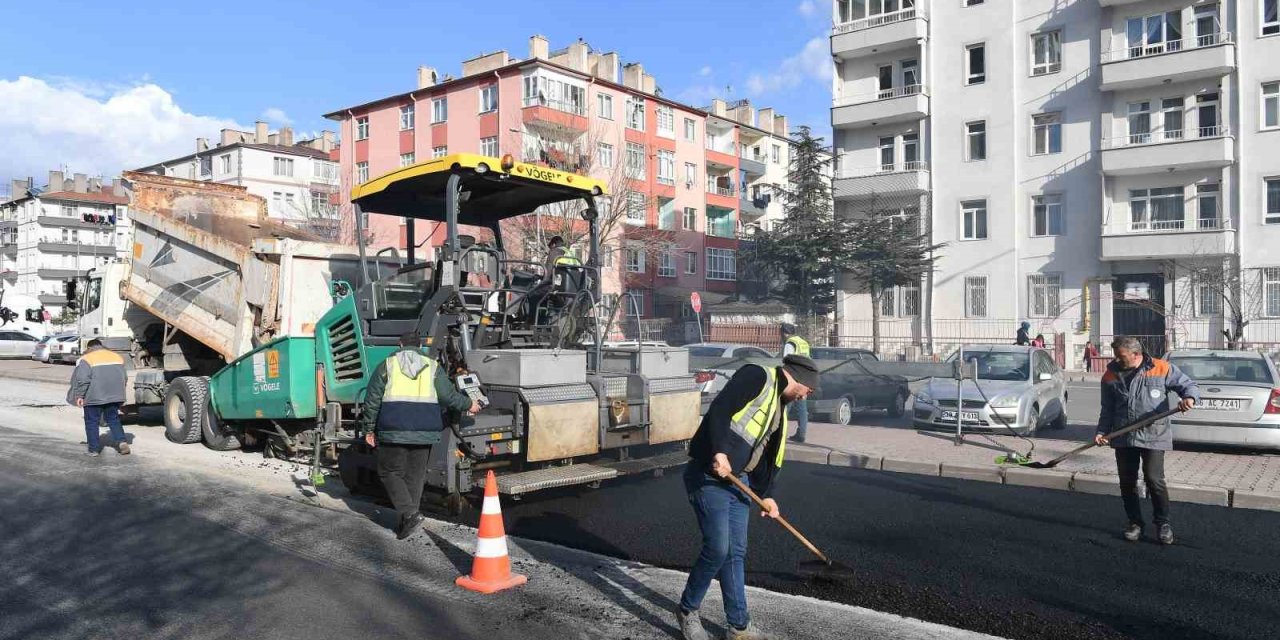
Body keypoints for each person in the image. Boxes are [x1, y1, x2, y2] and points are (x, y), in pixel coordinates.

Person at [677, 354, 819, 640]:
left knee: (735, 554)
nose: (804, 397)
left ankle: (738, 626)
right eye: (808, 390)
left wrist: (767, 495)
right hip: (709, 474)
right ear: (798, 378)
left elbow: (769, 457)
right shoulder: (757, 376)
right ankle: (687, 610)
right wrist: (718, 451)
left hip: (738, 481)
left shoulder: (780, 406)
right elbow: (719, 410)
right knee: (718, 548)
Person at [360, 332, 480, 540]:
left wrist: (368, 429)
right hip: (425, 431)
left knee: (389, 472)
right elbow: (448, 396)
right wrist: (470, 404)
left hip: (394, 431)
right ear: (420, 346)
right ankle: (406, 523)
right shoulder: (432, 367)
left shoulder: (387, 366)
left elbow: (372, 400)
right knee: (414, 477)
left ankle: (410, 514)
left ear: (400, 344)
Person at [1095, 336, 1198, 545]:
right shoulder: (1110, 375)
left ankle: (1163, 524)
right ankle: (1135, 523)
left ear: (1136, 354)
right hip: (1123, 435)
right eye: (1116, 355)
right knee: (1127, 482)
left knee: (1154, 479)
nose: (1117, 359)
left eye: (1121, 356)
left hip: (1154, 433)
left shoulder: (1160, 368)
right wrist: (1101, 431)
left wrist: (1189, 398)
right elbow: (1107, 408)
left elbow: (1187, 385)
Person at [68, 339, 129, 457]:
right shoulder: (117, 357)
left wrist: (80, 395)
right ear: (101, 346)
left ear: (90, 348)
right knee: (113, 419)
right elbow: (124, 378)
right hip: (114, 396)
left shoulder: (87, 359)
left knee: (91, 422)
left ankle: (94, 449)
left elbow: (83, 380)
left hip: (94, 397)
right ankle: (122, 442)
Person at [780, 323, 811, 443]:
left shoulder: (790, 344)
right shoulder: (803, 343)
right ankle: (801, 435)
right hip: (804, 379)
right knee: (802, 409)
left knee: (784, 408)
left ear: (784, 333)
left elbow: (787, 363)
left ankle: (779, 434)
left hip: (793, 380)